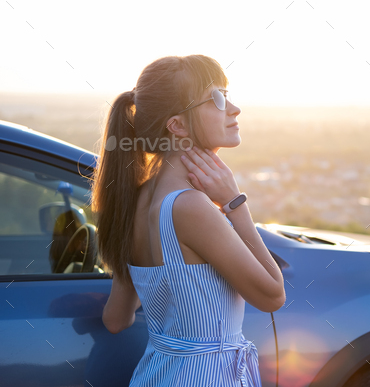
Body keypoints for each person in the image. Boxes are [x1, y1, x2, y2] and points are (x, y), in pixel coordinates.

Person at [93, 54, 286, 386]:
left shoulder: (135, 200)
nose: (234, 108)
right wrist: (234, 204)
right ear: (177, 125)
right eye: (217, 98)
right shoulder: (190, 207)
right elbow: (272, 296)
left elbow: (116, 318)